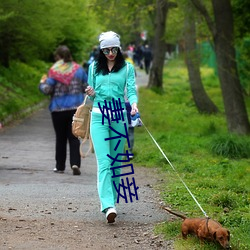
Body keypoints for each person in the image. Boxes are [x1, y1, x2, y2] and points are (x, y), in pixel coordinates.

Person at [85, 31, 138, 223]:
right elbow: (91, 97)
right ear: (101, 50)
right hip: (99, 117)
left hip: (118, 118)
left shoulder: (127, 68)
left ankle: (112, 200)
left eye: (114, 49)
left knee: (116, 163)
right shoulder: (93, 68)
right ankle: (108, 205)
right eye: (106, 50)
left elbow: (131, 90)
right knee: (105, 163)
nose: (110, 53)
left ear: (119, 48)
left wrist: (133, 104)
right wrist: (90, 92)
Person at [39, 45, 88, 175]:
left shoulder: (54, 71)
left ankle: (60, 166)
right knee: (74, 137)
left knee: (60, 138)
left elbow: (47, 90)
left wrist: (42, 83)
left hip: (58, 109)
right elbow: (86, 87)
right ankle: (75, 163)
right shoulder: (79, 70)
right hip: (75, 109)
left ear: (58, 57)